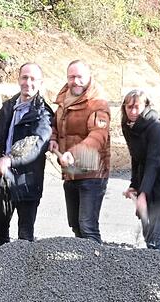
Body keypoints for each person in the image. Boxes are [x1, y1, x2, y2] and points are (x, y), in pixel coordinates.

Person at [0, 62, 53, 247]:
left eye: (32, 79)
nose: (27, 82)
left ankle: (23, 275)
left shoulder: (43, 114)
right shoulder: (9, 106)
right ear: (18, 79)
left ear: (40, 83)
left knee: (25, 235)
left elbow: (36, 147)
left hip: (27, 183)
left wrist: (10, 159)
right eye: (24, 77)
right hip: (4, 180)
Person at [50, 60, 111, 243]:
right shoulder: (64, 101)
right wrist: (53, 139)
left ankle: (97, 267)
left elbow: (98, 136)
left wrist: (74, 153)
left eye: (79, 77)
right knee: (75, 224)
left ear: (89, 77)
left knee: (88, 225)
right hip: (71, 172)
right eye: (71, 77)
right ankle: (82, 266)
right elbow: (56, 124)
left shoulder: (98, 104)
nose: (75, 81)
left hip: (92, 173)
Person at [121, 89, 160, 251]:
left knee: (157, 236)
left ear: (146, 106)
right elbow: (136, 157)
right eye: (129, 107)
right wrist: (134, 185)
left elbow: (153, 162)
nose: (133, 111)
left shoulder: (155, 127)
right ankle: (155, 273)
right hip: (148, 182)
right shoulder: (128, 126)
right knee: (149, 236)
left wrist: (144, 193)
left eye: (137, 107)